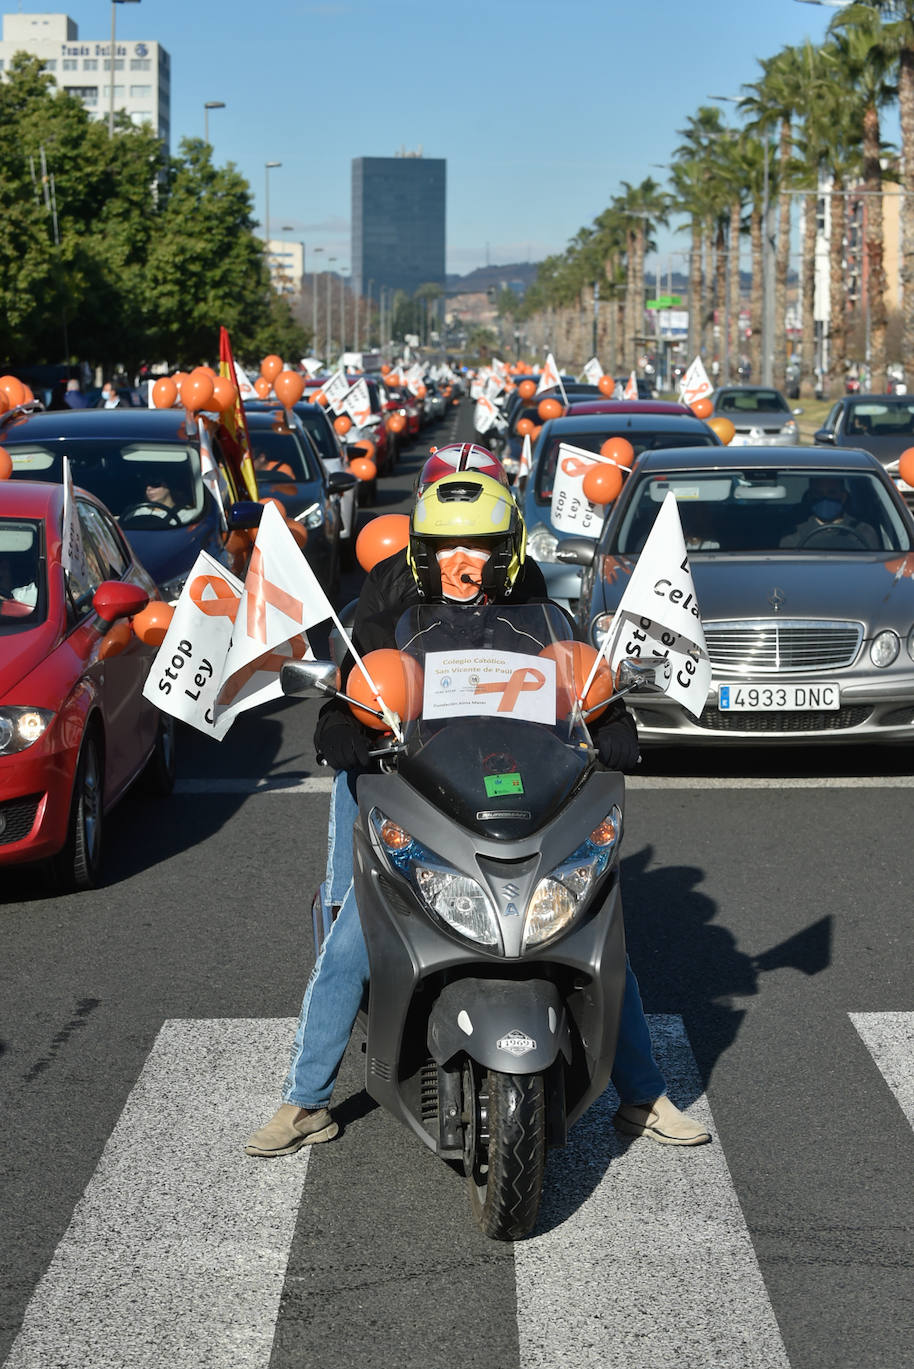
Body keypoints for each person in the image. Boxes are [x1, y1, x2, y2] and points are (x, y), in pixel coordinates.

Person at [245, 468, 710, 1158]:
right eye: (442, 550)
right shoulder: (391, 617)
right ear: (422, 555)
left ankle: (642, 1096)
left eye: (480, 548)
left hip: (516, 795)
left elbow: (584, 690)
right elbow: (345, 704)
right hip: (420, 794)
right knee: (351, 943)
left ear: (509, 551)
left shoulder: (543, 620)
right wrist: (348, 732)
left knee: (598, 934)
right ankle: (304, 1100)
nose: (461, 564)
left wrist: (612, 723)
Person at [781, 476, 878, 550]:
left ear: (843, 497)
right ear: (810, 497)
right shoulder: (794, 535)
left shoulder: (864, 532)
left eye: (831, 493)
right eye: (818, 493)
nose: (825, 498)